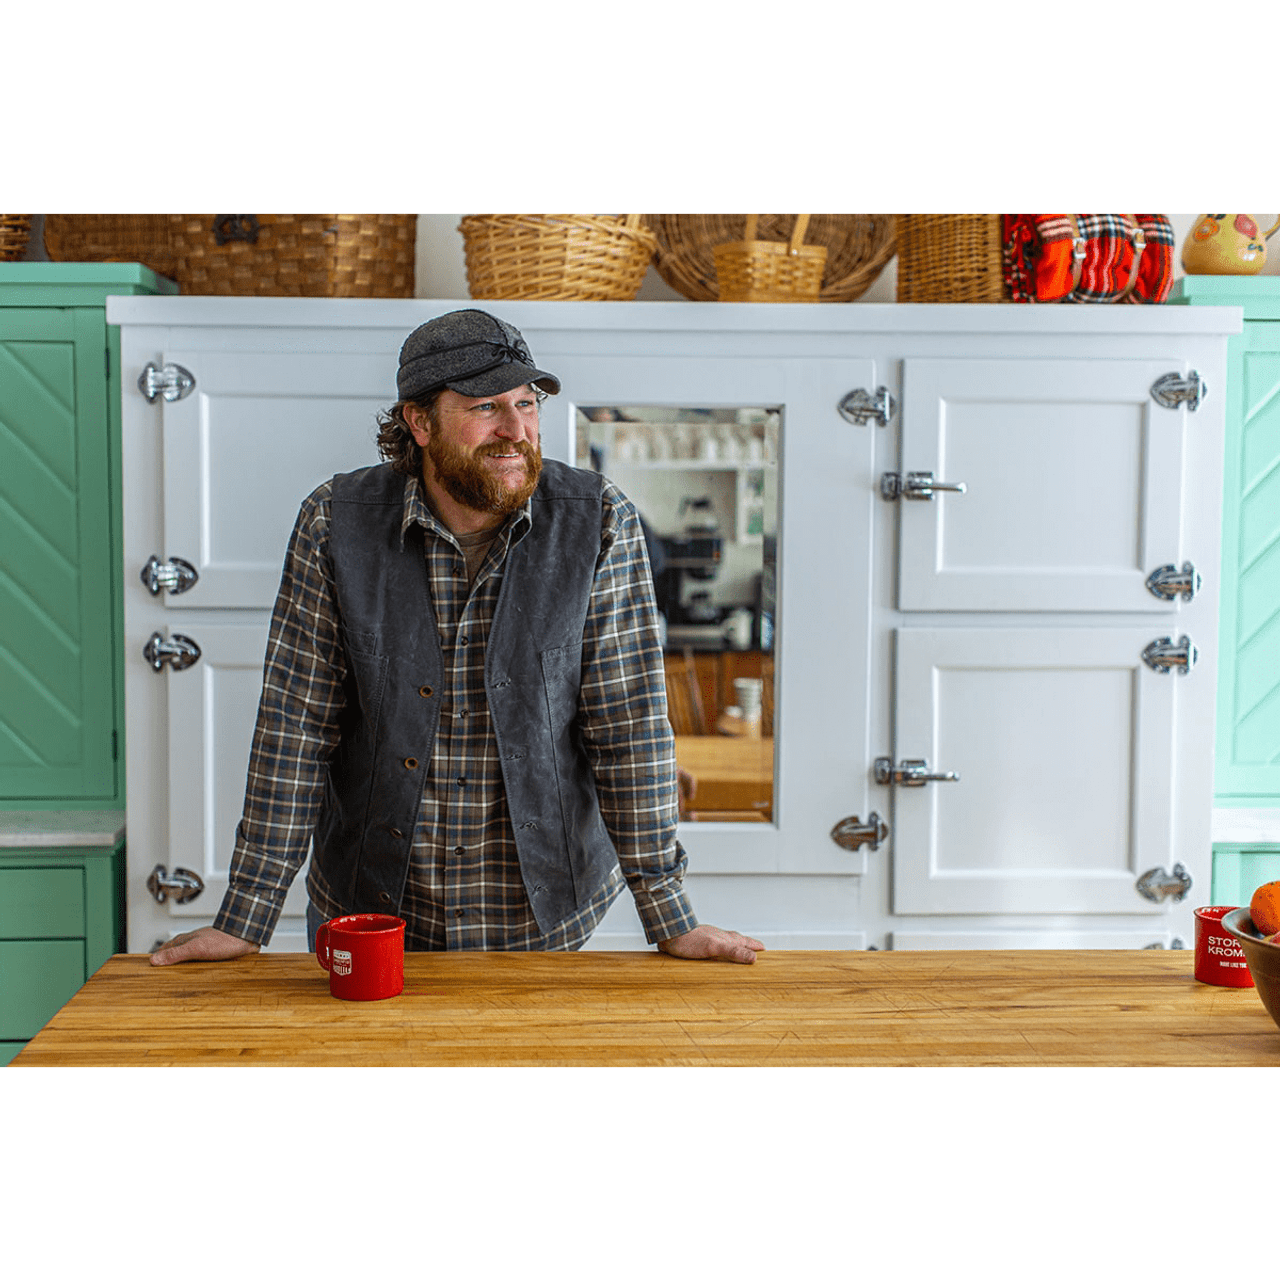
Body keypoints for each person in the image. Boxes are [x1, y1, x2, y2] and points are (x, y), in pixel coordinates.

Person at [152, 309, 763, 967]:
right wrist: (246, 916)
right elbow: (295, 726)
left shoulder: (598, 520)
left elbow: (628, 726)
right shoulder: (333, 521)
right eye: (485, 407)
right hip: (369, 910)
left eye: (526, 403)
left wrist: (669, 914)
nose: (516, 430)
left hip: (541, 915)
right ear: (420, 422)